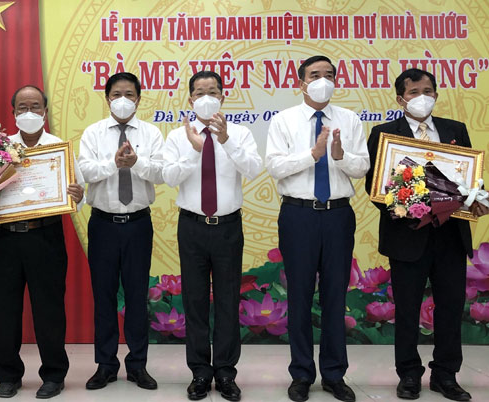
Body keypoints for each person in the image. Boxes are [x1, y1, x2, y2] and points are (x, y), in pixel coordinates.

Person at [365, 68, 488, 401]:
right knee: (406, 309)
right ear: (400, 98)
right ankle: (408, 374)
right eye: (415, 91)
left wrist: (477, 198)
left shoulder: (454, 130)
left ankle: (446, 375)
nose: (423, 97)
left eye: (429, 91)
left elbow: (469, 179)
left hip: (451, 235)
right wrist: (411, 209)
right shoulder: (384, 134)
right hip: (408, 236)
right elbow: (375, 188)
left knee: (450, 307)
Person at [0, 85, 85, 399]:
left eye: (35, 107)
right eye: (22, 107)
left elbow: (76, 195)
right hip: (6, 239)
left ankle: (54, 375)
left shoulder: (60, 147)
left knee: (49, 310)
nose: (28, 112)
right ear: (13, 113)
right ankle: (8, 375)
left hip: (46, 236)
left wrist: (79, 196)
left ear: (45, 112)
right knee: (5, 310)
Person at [265, 55, 370, 402]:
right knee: (298, 294)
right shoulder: (284, 120)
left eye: (328, 74)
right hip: (299, 215)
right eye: (314, 74)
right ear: (300, 81)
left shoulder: (350, 119)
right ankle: (301, 374)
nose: (322, 79)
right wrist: (313, 154)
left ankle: (334, 374)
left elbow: (362, 168)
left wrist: (339, 155)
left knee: (335, 295)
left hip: (338, 215)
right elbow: (276, 167)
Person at [163, 70, 263, 401]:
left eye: (212, 91)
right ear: (190, 99)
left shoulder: (240, 133)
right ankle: (200, 373)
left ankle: (225, 372)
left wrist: (225, 141)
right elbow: (168, 176)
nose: (206, 96)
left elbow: (252, 169)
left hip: (228, 227)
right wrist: (194, 149)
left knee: (227, 299)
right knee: (193, 300)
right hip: (191, 226)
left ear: (223, 96)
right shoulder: (178, 136)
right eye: (199, 92)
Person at [78, 72, 164, 391]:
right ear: (107, 98)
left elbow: (161, 172)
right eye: (116, 94)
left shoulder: (151, 133)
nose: (123, 99)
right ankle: (106, 365)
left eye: (129, 94)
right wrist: (114, 164)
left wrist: (136, 162)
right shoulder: (93, 133)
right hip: (103, 223)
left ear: (139, 99)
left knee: (137, 296)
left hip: (138, 223)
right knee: (104, 297)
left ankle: (138, 365)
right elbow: (85, 170)